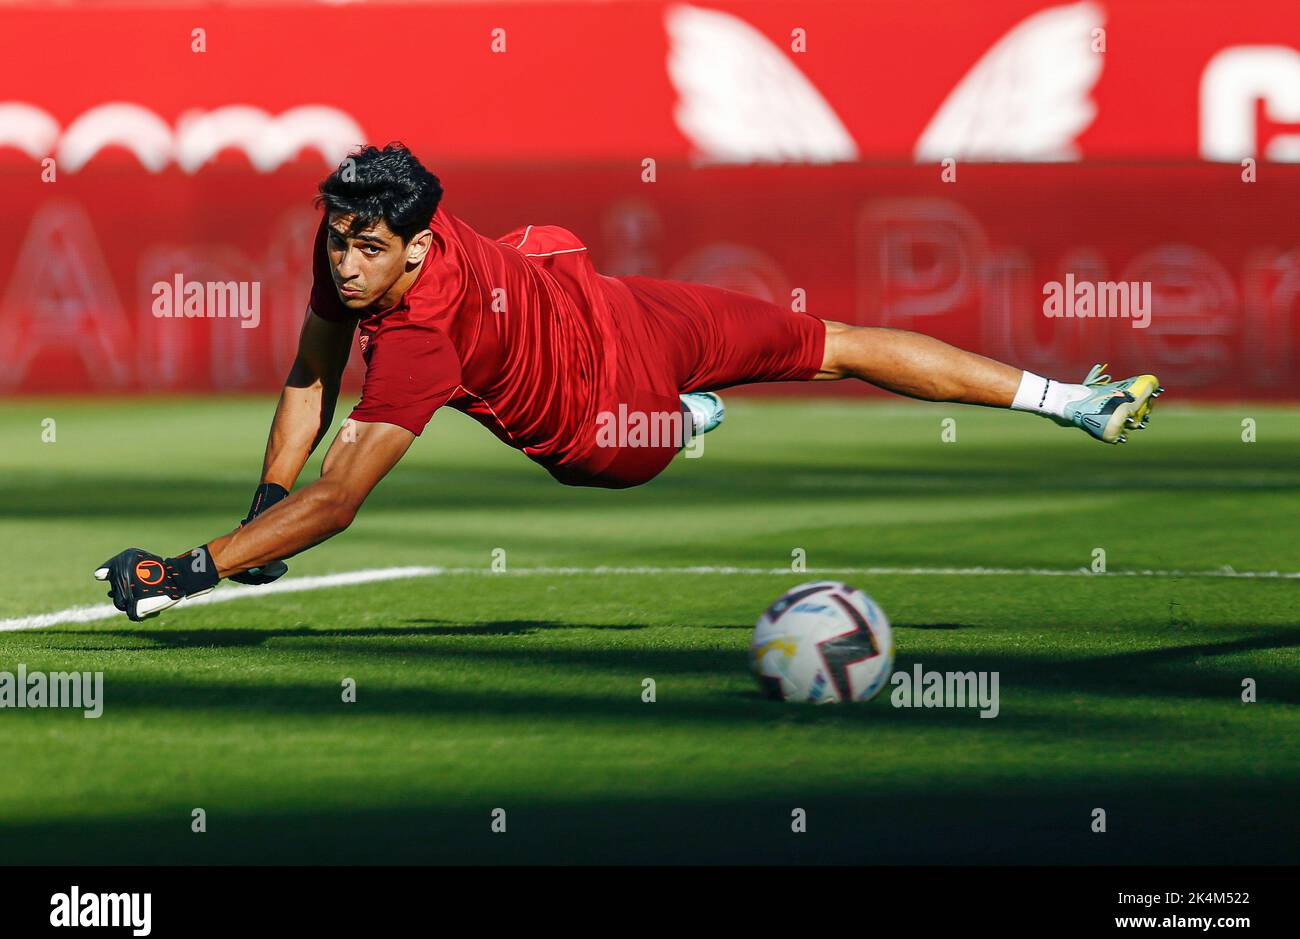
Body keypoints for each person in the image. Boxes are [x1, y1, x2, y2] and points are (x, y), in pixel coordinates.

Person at [94, 144, 1162, 621]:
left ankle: (1065, 401)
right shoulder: (384, 241)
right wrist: (260, 512)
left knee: (824, 343)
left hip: (612, 427)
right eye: (337, 241)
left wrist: (194, 566)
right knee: (806, 333)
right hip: (608, 305)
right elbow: (306, 375)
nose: (343, 262)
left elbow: (340, 499)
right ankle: (1067, 400)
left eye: (366, 247)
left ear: (417, 247)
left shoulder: (416, 333)